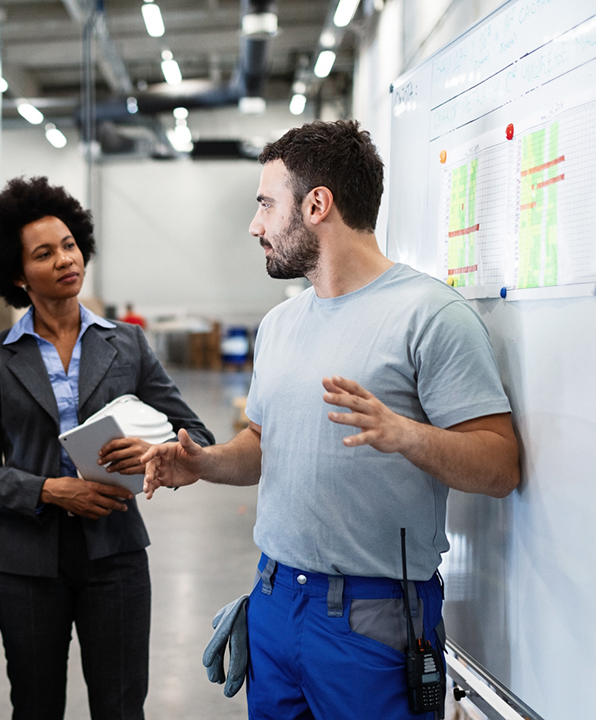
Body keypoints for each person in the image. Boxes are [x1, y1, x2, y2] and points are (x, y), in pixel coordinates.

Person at [141, 120, 520, 720]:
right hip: (272, 601)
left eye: (266, 204)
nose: (255, 225)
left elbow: (500, 465)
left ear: (317, 204)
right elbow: (263, 442)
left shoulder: (430, 316)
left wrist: (407, 435)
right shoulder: (280, 325)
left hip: (374, 618)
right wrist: (204, 463)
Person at [0, 176, 214, 720]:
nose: (65, 260)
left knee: (121, 707)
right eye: (44, 254)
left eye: (69, 245)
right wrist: (50, 490)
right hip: (27, 562)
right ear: (17, 274)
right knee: (35, 705)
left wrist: (153, 454)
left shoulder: (127, 344)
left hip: (115, 553)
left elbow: (196, 435)